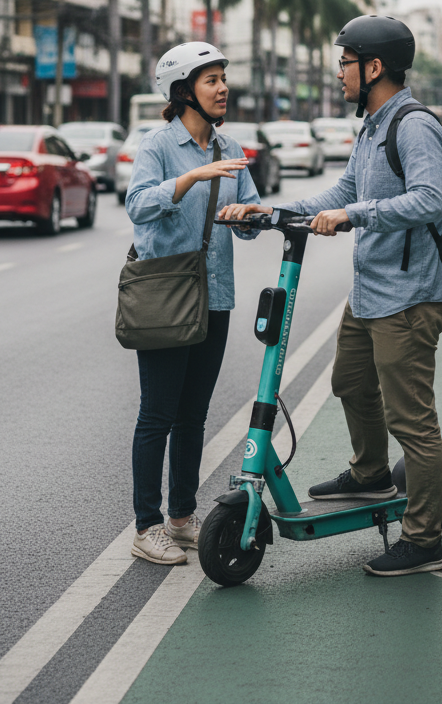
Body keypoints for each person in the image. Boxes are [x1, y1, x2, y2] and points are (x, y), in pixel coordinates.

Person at [231, 15, 442, 577]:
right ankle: (371, 471)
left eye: (345, 62)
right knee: (349, 381)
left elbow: (430, 199)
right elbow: (345, 190)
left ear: (374, 67)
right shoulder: (373, 126)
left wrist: (353, 217)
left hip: (408, 296)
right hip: (372, 291)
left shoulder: (414, 125)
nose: (339, 73)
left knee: (413, 421)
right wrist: (278, 211)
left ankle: (424, 539)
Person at [125, 42, 261, 565]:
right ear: (184, 92)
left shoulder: (229, 148)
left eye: (224, 78)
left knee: (194, 414)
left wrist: (248, 217)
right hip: (166, 293)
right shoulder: (159, 146)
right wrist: (188, 180)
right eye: (211, 80)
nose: (223, 87)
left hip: (215, 294)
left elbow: (246, 222)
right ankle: (147, 525)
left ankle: (182, 518)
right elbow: (137, 205)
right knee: (156, 413)